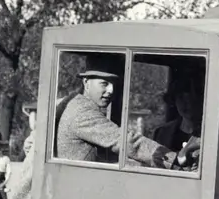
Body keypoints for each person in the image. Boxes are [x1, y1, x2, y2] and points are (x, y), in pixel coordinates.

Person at [55, 54, 185, 168]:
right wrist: (173, 159)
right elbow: (124, 141)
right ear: (86, 82)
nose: (111, 90)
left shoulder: (74, 102)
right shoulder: (82, 112)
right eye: (104, 83)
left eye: (113, 84)